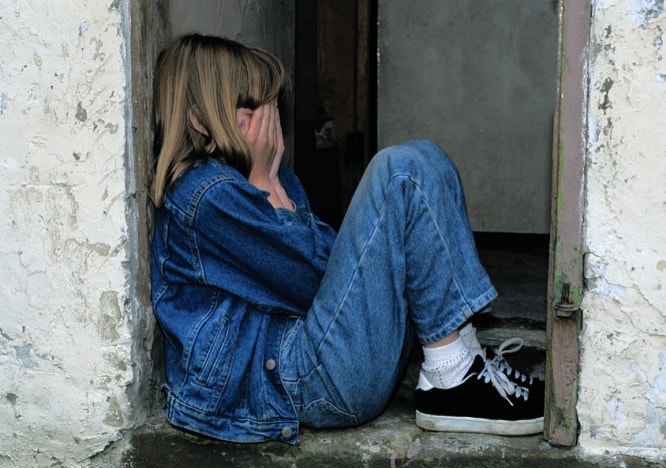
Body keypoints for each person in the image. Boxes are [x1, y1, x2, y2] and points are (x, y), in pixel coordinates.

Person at [150, 33, 544, 445]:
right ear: (200, 121)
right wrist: (268, 185)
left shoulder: (260, 182)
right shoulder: (207, 195)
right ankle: (452, 379)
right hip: (297, 382)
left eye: (270, 111)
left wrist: (275, 186)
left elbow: (334, 273)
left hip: (318, 362)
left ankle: (459, 360)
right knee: (400, 171)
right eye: (251, 112)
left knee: (424, 157)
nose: (270, 128)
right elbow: (315, 278)